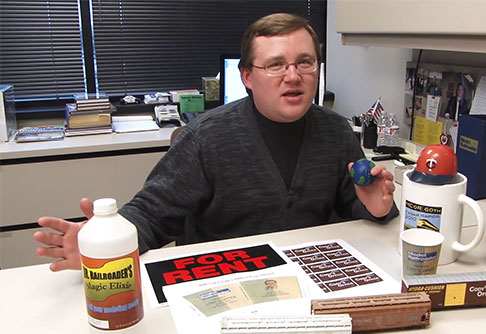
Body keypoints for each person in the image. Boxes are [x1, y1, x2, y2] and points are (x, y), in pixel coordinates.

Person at [33, 13, 399, 272]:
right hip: (223, 280)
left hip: (310, 273)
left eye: (306, 62)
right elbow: (151, 213)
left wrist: (377, 209)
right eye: (275, 65)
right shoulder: (205, 138)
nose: (294, 76)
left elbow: (356, 205)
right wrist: (102, 241)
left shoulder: (336, 132)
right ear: (247, 77)